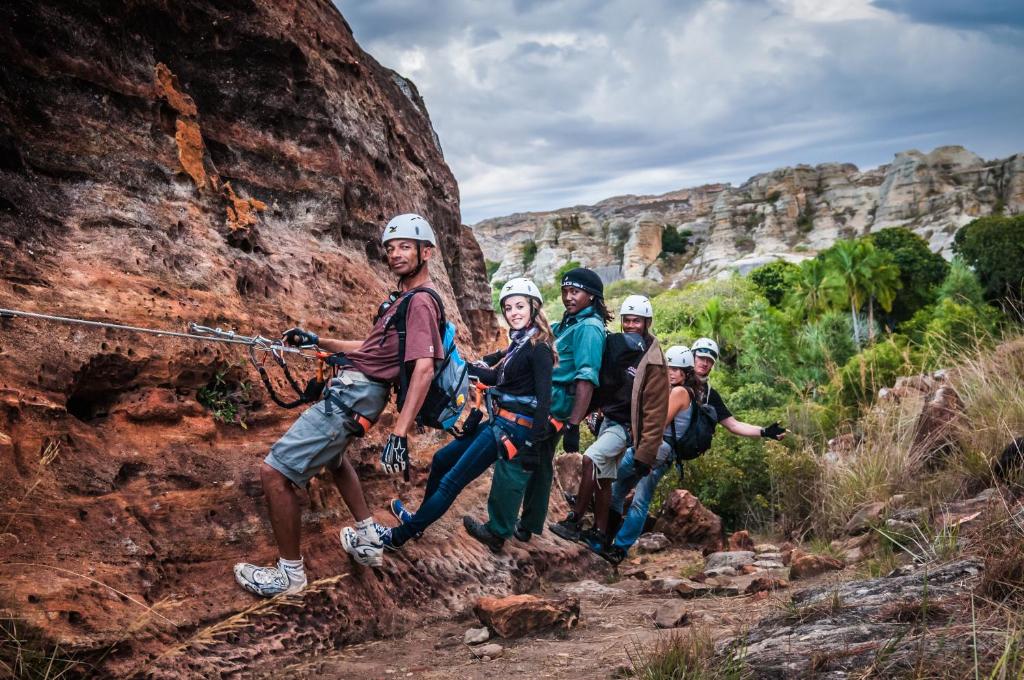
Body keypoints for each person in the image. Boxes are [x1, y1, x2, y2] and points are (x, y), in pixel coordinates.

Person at [233, 213, 444, 596]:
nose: (395, 254)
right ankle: (366, 536)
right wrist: (319, 342)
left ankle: (289, 576)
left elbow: (425, 368)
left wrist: (399, 432)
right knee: (334, 457)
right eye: (391, 247)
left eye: (405, 247)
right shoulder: (404, 301)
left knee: (274, 473)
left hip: (355, 396)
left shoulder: (420, 304)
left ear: (426, 252)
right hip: (357, 393)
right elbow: (370, 349)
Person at [373, 278, 555, 552]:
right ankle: (420, 521)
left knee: (451, 483)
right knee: (441, 459)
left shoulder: (538, 348)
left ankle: (399, 536)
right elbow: (494, 375)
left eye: (520, 306)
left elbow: (545, 400)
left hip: (512, 429)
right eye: (508, 308)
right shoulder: (519, 344)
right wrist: (457, 364)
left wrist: (531, 445)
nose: (513, 312)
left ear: (534, 308)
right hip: (499, 422)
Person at [463, 267, 609, 551]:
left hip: (551, 406)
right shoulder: (568, 323)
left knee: (513, 461)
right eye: (565, 291)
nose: (568, 297)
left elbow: (586, 378)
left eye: (575, 292)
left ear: (592, 296)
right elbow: (529, 342)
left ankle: (497, 530)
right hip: (550, 404)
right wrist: (491, 358)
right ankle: (529, 526)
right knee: (541, 463)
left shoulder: (589, 329)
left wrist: (574, 424)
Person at [549, 294, 668, 551]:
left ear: (647, 322)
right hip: (608, 419)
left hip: (626, 427)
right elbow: (604, 382)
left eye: (637, 321)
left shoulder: (655, 361)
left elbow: (657, 410)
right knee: (604, 478)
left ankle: (575, 521)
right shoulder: (619, 345)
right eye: (627, 320)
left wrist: (645, 455)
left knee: (591, 459)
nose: (631, 325)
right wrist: (587, 414)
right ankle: (601, 534)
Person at [601, 345, 698, 564]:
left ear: (686, 373)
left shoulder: (679, 392)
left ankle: (619, 548)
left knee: (630, 494)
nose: (671, 372)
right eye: (669, 368)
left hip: (657, 450)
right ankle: (607, 540)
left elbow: (659, 422)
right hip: (657, 450)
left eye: (677, 369)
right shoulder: (679, 391)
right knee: (617, 490)